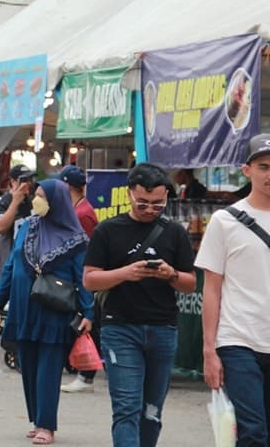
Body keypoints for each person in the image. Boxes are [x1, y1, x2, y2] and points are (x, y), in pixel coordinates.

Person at [82, 163, 196, 447]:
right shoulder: (108, 230)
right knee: (127, 408)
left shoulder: (175, 233)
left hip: (163, 328)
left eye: (158, 204)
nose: (150, 209)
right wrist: (126, 274)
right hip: (120, 328)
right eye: (142, 202)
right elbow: (90, 280)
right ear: (129, 194)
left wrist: (170, 274)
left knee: (152, 411)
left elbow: (190, 283)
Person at [0, 180, 93, 445]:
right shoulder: (28, 227)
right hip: (23, 308)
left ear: (56, 201)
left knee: (48, 368)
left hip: (54, 311)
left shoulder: (75, 237)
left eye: (41, 196)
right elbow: (11, 265)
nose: (36, 201)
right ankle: (36, 420)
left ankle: (47, 424)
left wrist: (89, 313)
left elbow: (84, 278)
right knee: (28, 365)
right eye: (35, 196)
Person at [197, 135, 270, 446]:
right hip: (238, 339)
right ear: (247, 170)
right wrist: (209, 350)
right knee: (253, 432)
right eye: (263, 166)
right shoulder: (224, 221)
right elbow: (211, 289)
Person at [57, 165, 101, 394]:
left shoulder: (82, 213)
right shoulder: (76, 209)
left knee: (86, 322)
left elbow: (83, 248)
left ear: (67, 186)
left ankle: (86, 374)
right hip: (79, 273)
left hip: (84, 274)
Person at [0, 164, 35, 281]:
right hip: (7, 263)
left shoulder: (33, 201)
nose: (28, 184)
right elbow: (1, 228)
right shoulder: (2, 201)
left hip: (29, 263)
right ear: (13, 181)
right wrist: (15, 202)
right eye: (24, 180)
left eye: (30, 180)